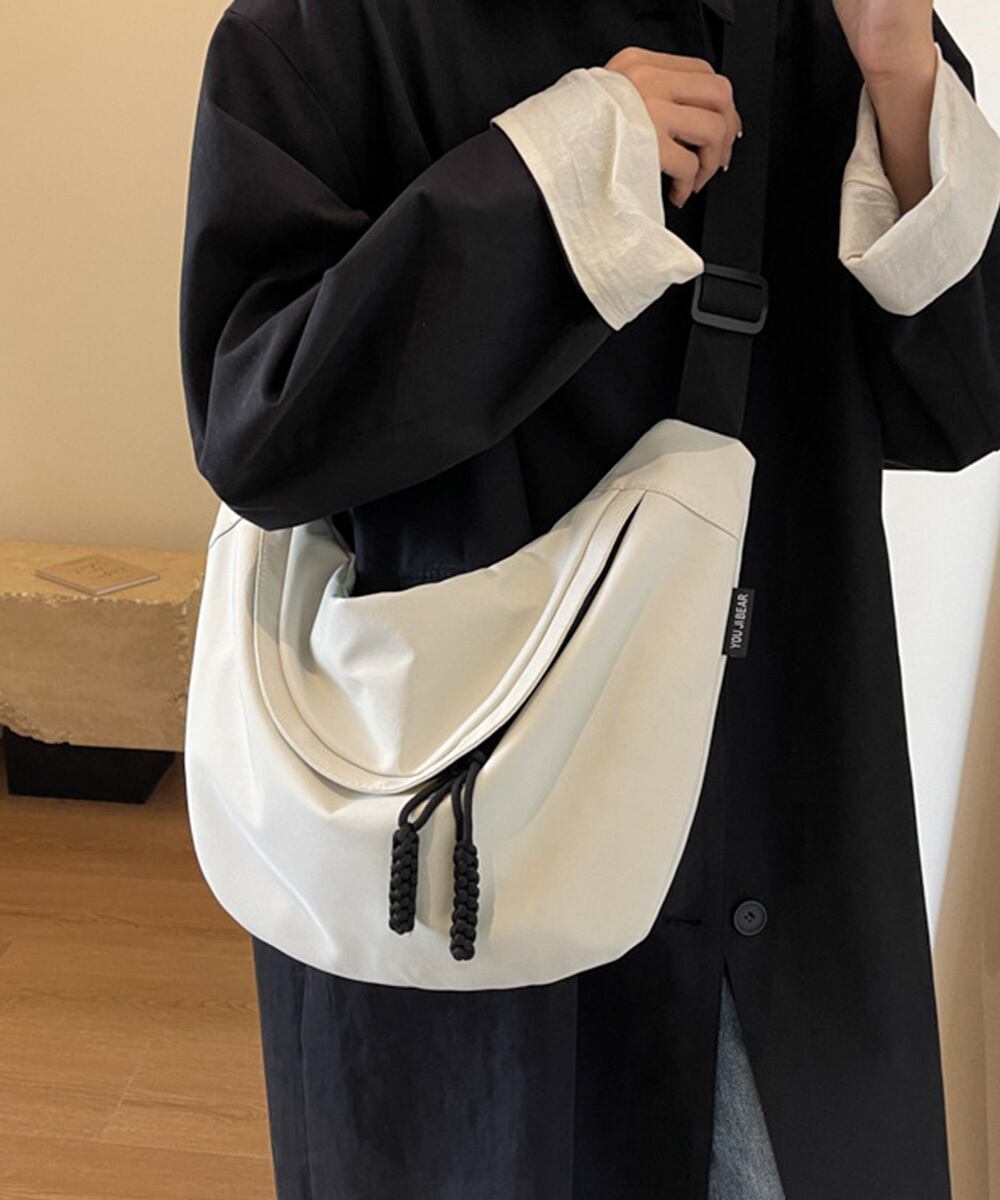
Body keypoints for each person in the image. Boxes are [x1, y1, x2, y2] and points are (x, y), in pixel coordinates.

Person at [178, 0, 1000, 1196]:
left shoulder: (840, 25)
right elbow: (258, 427)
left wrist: (903, 80)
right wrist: (554, 180)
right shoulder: (329, 27)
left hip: (766, 830)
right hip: (458, 851)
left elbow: (959, 406)